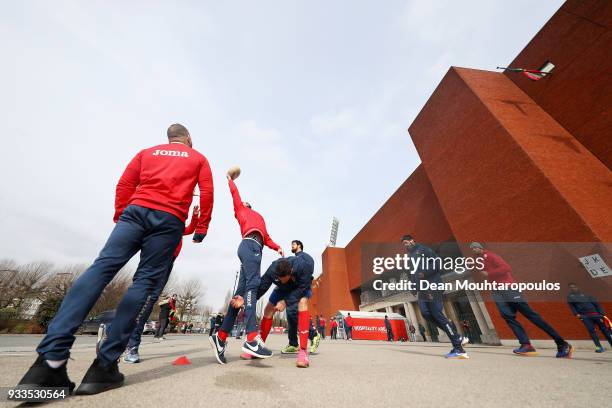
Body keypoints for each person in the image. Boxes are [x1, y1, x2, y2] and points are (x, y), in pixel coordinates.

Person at [16, 124, 214, 396]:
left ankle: (48, 363)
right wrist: (201, 226)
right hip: (168, 220)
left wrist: (122, 215)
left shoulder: (146, 153)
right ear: (188, 138)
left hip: (134, 213)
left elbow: (124, 184)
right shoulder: (199, 158)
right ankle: (104, 366)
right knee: (144, 282)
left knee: (101, 268)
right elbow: (206, 193)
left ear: (168, 138)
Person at [209, 171, 284, 363]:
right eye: (243, 202)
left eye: (247, 202)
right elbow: (235, 195)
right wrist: (229, 181)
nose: (245, 202)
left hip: (256, 247)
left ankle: (221, 337)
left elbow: (266, 238)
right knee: (253, 285)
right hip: (249, 246)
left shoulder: (259, 217)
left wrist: (277, 247)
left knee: (239, 296)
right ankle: (251, 338)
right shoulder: (240, 210)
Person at [123, 206, 201, 363]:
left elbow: (190, 229)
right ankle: (123, 336)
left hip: (168, 261)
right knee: (139, 294)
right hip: (156, 255)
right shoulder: (163, 218)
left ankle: (130, 343)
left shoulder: (179, 227)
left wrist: (194, 216)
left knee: (150, 299)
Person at [470, 242, 573, 358]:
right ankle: (526, 345)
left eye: (475, 247)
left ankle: (561, 343)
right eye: (472, 248)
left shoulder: (491, 256)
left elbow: (506, 268)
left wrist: (489, 273)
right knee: (506, 316)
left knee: (530, 315)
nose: (473, 249)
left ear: (480, 248)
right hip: (496, 291)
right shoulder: (478, 261)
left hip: (509, 288)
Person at [250, 240, 316, 367]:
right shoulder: (273, 269)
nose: (281, 280)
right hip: (284, 288)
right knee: (268, 309)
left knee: (302, 302)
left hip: (300, 287)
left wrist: (285, 301)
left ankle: (303, 352)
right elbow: (263, 286)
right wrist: (251, 302)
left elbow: (302, 289)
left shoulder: (305, 265)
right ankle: (259, 346)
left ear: (290, 272)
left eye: (283, 279)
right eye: (279, 279)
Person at [403, 234, 468, 358]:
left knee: (437, 314)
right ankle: (456, 336)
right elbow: (413, 273)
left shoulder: (424, 249)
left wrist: (425, 273)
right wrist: (413, 286)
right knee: (425, 314)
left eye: (407, 242)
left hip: (433, 285)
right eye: (404, 243)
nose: (406, 245)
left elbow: (438, 263)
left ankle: (458, 348)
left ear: (412, 240)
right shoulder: (409, 256)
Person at [567, 283, 612, 353]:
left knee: (605, 330)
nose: (573, 288)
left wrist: (601, 314)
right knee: (591, 331)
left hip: (596, 315)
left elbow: (596, 304)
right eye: (571, 287)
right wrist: (576, 314)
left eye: (574, 287)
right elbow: (572, 307)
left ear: (578, 286)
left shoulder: (587, 294)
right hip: (585, 317)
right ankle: (599, 347)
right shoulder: (570, 297)